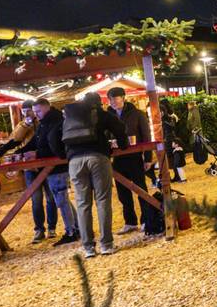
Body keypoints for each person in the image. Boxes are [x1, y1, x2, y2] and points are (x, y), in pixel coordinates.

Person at [63, 92, 128, 257]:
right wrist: (123, 145)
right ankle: (106, 244)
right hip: (97, 157)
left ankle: (88, 248)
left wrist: (66, 155)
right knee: (102, 200)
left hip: (75, 161)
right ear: (98, 103)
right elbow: (119, 128)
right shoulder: (100, 113)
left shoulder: (71, 116)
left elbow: (58, 137)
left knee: (82, 203)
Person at [0, 100, 57, 242]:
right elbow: (15, 139)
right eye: (24, 111)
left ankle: (52, 228)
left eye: (29, 110)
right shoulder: (23, 124)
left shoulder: (44, 121)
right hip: (30, 166)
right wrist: (26, 124)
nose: (27, 113)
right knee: (36, 199)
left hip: (46, 163)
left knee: (51, 198)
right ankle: (39, 229)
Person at [17, 98, 79, 245]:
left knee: (60, 200)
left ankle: (71, 232)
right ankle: (77, 228)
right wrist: (19, 151)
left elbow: (56, 147)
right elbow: (31, 141)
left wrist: (36, 154)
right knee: (62, 199)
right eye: (34, 111)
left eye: (38, 111)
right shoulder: (44, 123)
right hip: (52, 168)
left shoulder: (55, 122)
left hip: (57, 168)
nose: (35, 114)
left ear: (47, 108)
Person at [106, 86, 152, 234]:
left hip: (135, 157)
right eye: (110, 99)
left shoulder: (137, 114)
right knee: (122, 192)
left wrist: (148, 158)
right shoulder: (108, 116)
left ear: (123, 98)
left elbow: (146, 137)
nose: (112, 102)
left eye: (115, 98)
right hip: (118, 158)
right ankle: (130, 221)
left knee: (140, 188)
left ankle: (146, 219)